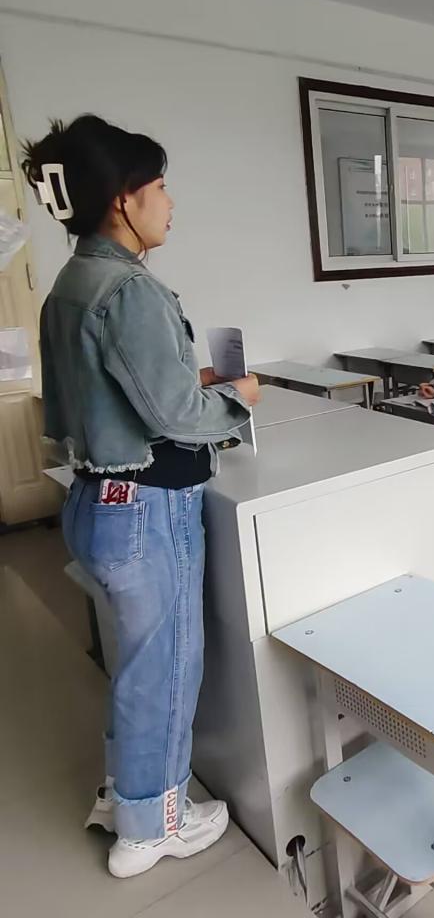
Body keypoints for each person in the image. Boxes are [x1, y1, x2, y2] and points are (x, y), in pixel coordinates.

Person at [23, 115, 260, 878]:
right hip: (147, 510)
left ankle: (127, 793)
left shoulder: (72, 284)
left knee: (138, 666)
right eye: (160, 186)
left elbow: (100, 395)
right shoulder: (129, 288)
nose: (169, 202)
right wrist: (239, 398)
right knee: (167, 669)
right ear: (123, 199)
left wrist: (189, 381)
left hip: (97, 498)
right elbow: (179, 419)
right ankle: (153, 827)